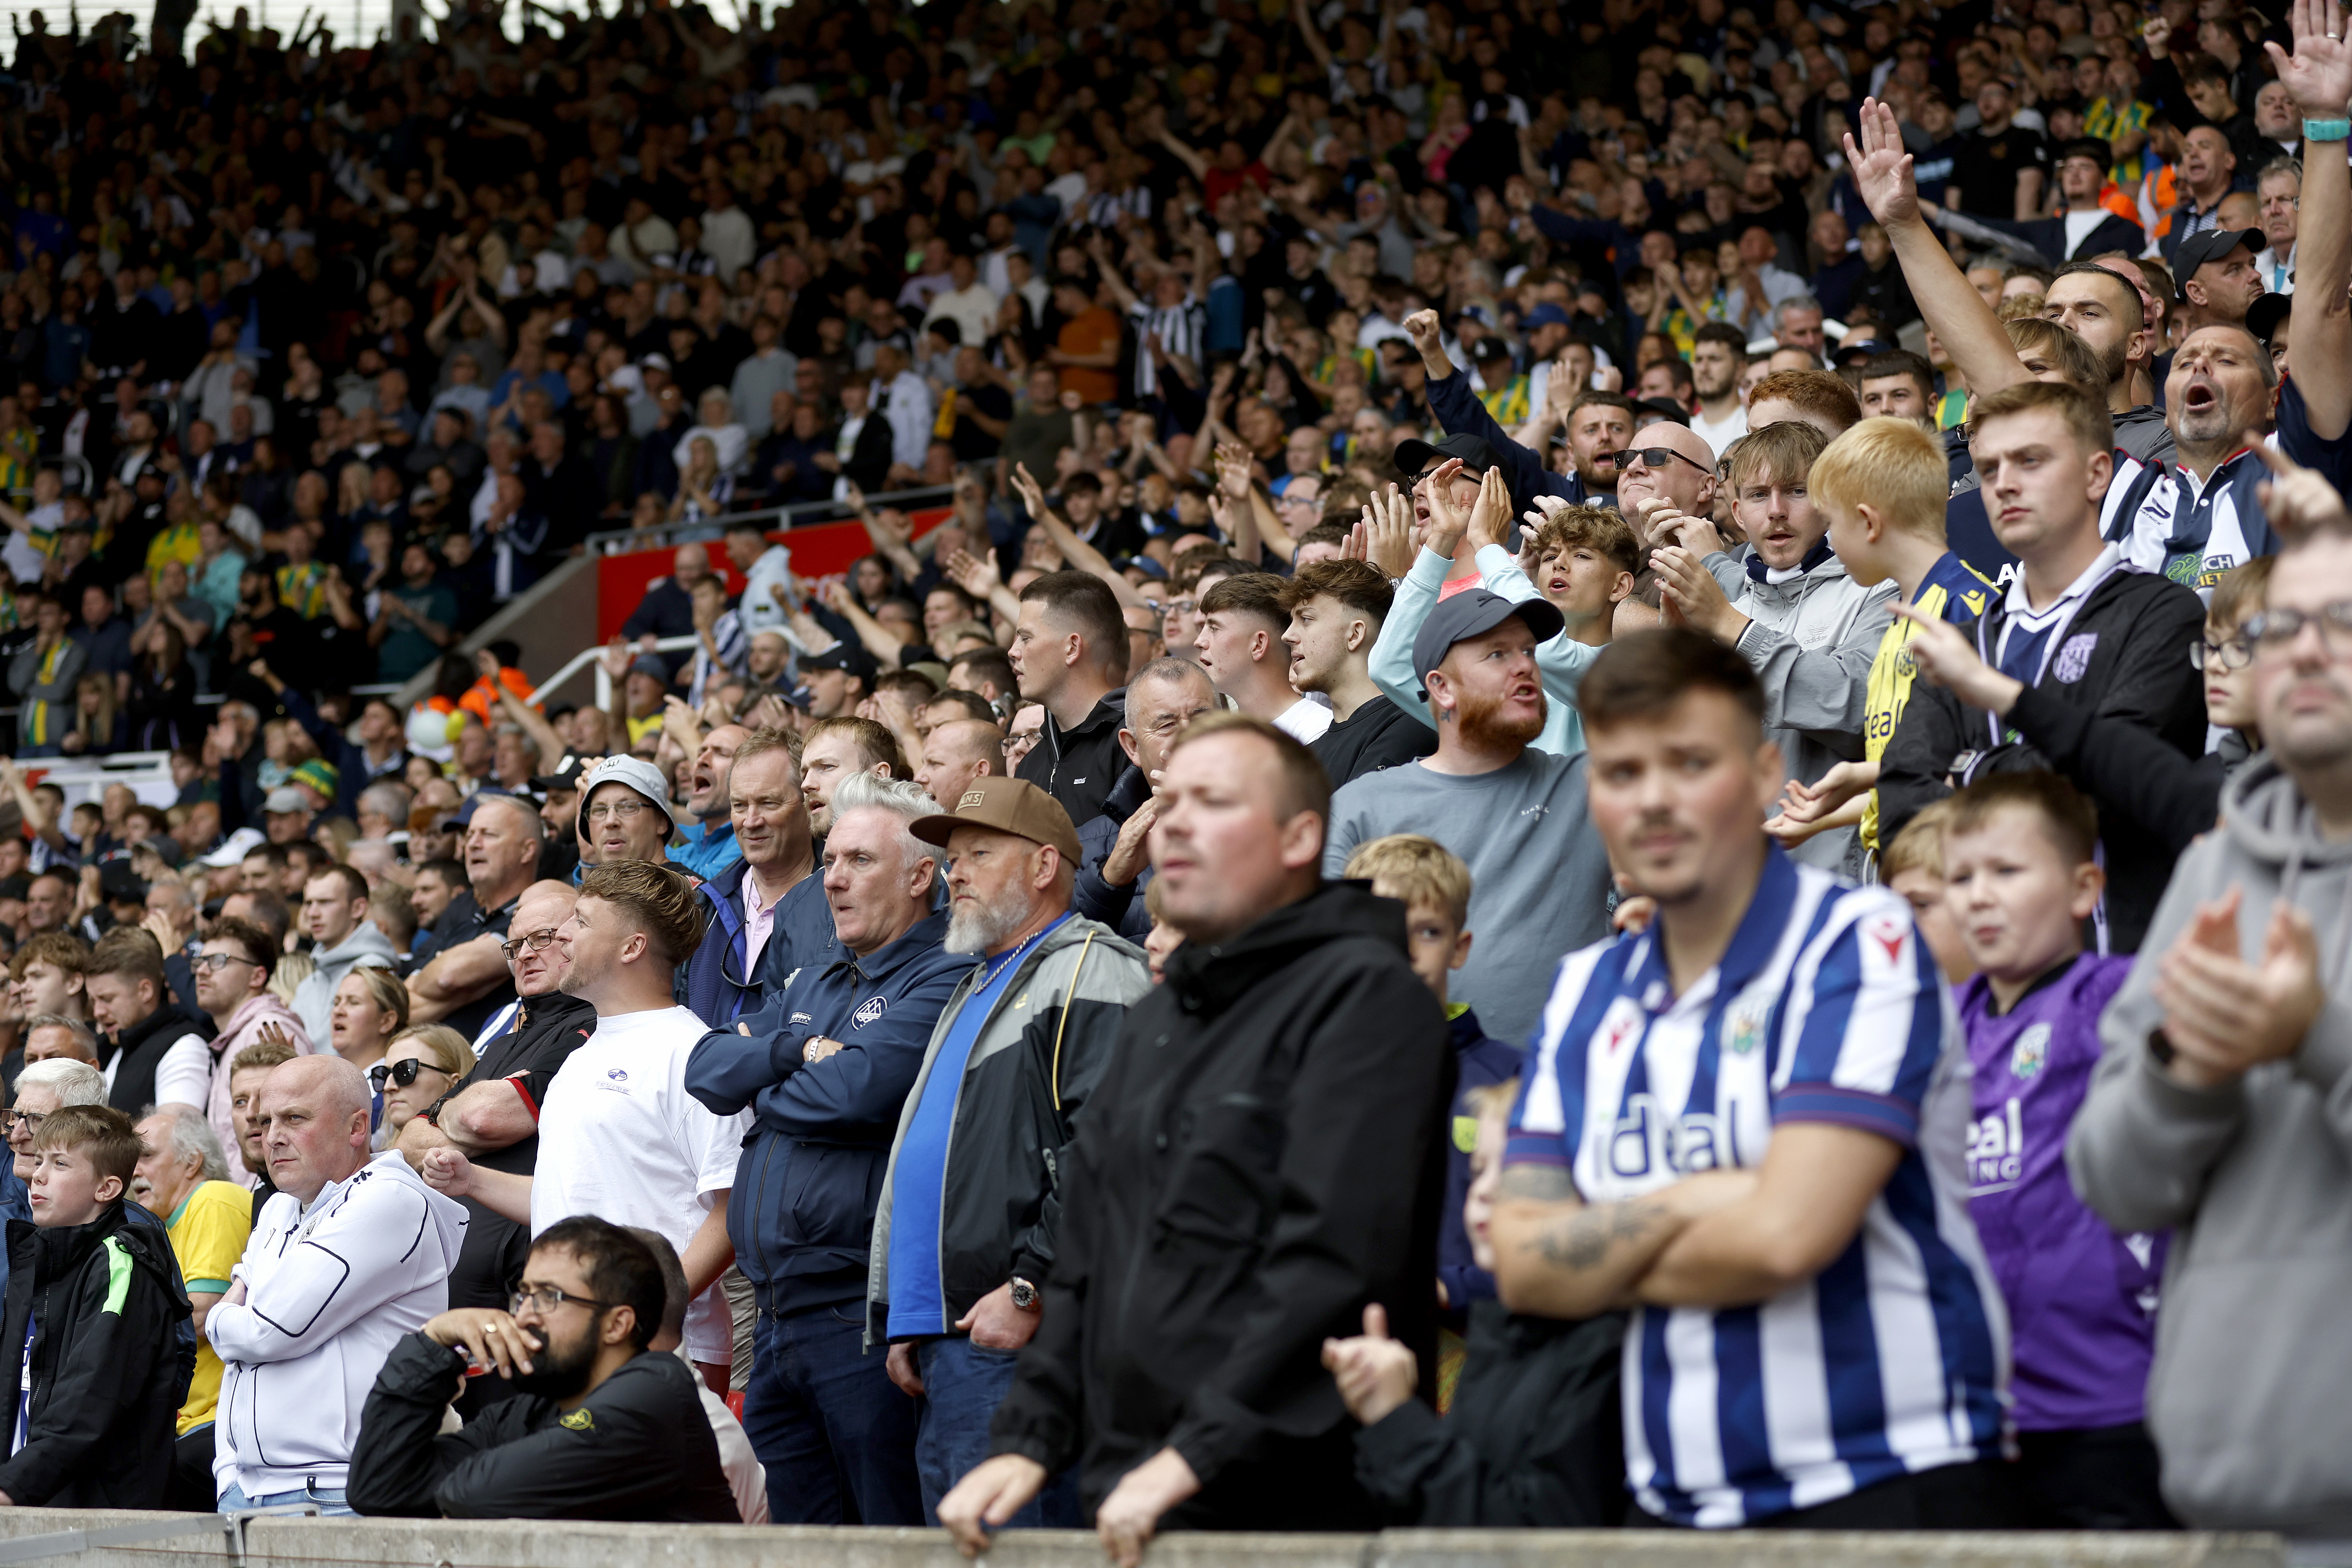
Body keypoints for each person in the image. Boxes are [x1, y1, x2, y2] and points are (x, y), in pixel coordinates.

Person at [1494, 628, 2008, 1530]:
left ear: (1768, 773)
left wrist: (1598, 1244)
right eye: (1620, 773)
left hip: (1884, 1480)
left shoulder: (1864, 943)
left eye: (1690, 763)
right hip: (1667, 1497)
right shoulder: (1582, 990)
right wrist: (1700, 1200)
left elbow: (1784, 1237)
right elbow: (1524, 1266)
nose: (1653, 800)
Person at [939, 714, 1450, 1552]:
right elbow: (1090, 1249)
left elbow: (1332, 1259)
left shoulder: (1368, 998)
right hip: (1136, 1488)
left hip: (1297, 1500)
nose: (1173, 823)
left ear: (1300, 837)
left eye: (1211, 802)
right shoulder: (1160, 1014)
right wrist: (1030, 1436)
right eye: (1167, 801)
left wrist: (1193, 1454)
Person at [2067, 490, 2352, 1537]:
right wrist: (2186, 1072)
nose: (2307, 653)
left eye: (2346, 624)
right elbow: (2115, 1179)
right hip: (2225, 1500)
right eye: (2280, 628)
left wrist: (2314, 1037)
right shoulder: (2218, 869)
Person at [684, 774, 967, 1526]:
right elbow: (706, 1069)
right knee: (800, 1544)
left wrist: (768, 1079)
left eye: (859, 862)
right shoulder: (813, 976)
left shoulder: (945, 974)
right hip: (778, 1319)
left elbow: (860, 1091)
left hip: (859, 1319)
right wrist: (801, 1050)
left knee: (887, 1534)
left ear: (919, 875)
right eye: (831, 860)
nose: (833, 880)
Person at [873, 777, 1152, 1525]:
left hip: (1023, 1337)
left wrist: (1034, 1287)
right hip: (949, 1339)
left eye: (979, 853)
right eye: (951, 857)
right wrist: (906, 1314)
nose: (953, 873)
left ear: (1043, 867)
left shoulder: (1095, 966)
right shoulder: (973, 985)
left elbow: (1113, 1149)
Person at [1880, 380, 2207, 954]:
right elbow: (1903, 800)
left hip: (2122, 970)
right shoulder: (1965, 639)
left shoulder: (2162, 614)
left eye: (2031, 461)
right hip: (1984, 987)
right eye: (1987, 469)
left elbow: (2113, 774)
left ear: (2096, 475)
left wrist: (1970, 772)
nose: (2004, 482)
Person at [1938, 773, 2171, 1529]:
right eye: (1961, 877)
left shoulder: (2117, 997)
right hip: (1977, 1413)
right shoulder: (1940, 1031)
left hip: (2111, 1399)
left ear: (2083, 889)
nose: (1977, 896)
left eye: (2006, 872)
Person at [418, 864, 748, 1394]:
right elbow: (566, 1196)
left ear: (632, 947)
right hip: (560, 1339)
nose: (563, 935)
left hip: (660, 1347)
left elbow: (733, 1210)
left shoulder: (694, 1053)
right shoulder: (583, 1053)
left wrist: (652, 1310)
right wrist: (472, 1181)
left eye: (582, 922)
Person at [1321, 1079, 1625, 1526]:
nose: (1482, 1189)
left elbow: (1525, 1537)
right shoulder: (1502, 1336)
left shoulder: (1603, 1352)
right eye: (1479, 1168)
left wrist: (1397, 1421)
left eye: (1512, 1170)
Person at [1324, 589, 1615, 1048]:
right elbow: (1324, 963)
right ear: (1441, 687)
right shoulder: (1360, 807)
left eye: (1528, 651)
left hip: (1567, 1089)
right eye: (1497, 654)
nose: (1524, 666)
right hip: (1418, 1084)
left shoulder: (1594, 786)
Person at [347, 1216, 737, 1521]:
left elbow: (477, 1492)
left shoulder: (656, 1393)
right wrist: (433, 1341)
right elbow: (379, 1488)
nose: (525, 1316)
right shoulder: (534, 1409)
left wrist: (455, 1476)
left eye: (549, 1297)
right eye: (525, 1295)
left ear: (617, 1324)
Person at [208, 1054, 468, 1514]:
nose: (272, 1137)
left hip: (338, 1491)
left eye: (294, 1118)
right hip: (249, 1490)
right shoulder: (277, 1208)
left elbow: (270, 1330)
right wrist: (230, 1473)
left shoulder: (388, 1198)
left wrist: (220, 1318)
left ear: (356, 1128)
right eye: (266, 1121)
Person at [1647, 419, 1896, 875]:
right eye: (1760, 495)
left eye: (1796, 492)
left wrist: (1731, 627)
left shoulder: (1877, 590)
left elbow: (1860, 705)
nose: (1777, 511)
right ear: (1738, 512)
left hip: (1834, 883)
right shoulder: (1724, 600)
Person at [1770, 417, 1996, 860]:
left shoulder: (1965, 609)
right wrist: (1823, 815)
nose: (1830, 540)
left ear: (1869, 523)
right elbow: (1911, 772)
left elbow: (1981, 767)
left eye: (1832, 523)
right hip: (1899, 858)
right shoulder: (1900, 616)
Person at [398, 885, 591, 1343]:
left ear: (580, 936)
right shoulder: (505, 1043)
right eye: (515, 945)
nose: (524, 955)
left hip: (522, 1283)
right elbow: (408, 1140)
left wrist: (446, 1120)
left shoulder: (595, 1023)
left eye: (542, 939)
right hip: (459, 1282)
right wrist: (459, 1122)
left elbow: (485, 1117)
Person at [1339, 835, 1517, 1318]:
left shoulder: (1511, 1079)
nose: (1407, 951)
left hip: (1480, 1353)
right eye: (1386, 931)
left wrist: (1448, 1290)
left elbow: (1543, 1237)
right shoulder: (1320, 1075)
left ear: (1459, 947)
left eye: (1429, 932)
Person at [0, 1105, 192, 1507]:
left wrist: (13, 1485)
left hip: (97, 1519)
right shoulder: (33, 1260)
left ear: (106, 1189)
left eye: (60, 1163)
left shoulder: (121, 1262)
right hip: (33, 1504)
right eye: (40, 1160)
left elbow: (90, 1398)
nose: (39, 1174)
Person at [1367, 465, 1612, 757]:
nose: (1559, 565)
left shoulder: (1625, 666)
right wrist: (1442, 540)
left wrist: (1486, 543)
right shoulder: (1500, 682)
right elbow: (1390, 668)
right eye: (1548, 557)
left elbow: (1548, 655)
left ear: (1621, 585)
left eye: (1581, 555)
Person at [131, 1102, 251, 1510]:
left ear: (192, 1161)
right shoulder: (160, 1226)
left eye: (146, 1156)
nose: (134, 1171)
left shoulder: (212, 1198)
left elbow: (200, 1314)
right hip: (185, 1423)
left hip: (219, 1422)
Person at [680, 731, 831, 1027]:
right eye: (739, 806)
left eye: (769, 803)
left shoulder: (839, 902)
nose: (751, 821)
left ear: (808, 802)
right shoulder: (702, 907)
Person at [1071, 657, 1218, 943]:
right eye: (1166, 726)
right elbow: (1062, 953)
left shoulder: (1269, 816)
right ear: (1133, 747)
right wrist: (1110, 880)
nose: (1187, 736)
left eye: (1203, 718)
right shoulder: (1086, 848)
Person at [1278, 561, 1437, 788]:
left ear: (1355, 634)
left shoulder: (1411, 723)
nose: (1287, 636)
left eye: (1306, 619)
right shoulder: (1311, 753)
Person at [406, 794, 545, 1038]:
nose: (473, 844)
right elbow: (398, 1001)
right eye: (469, 836)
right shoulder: (464, 919)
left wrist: (442, 972)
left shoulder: (532, 920)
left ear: (526, 851)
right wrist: (453, 995)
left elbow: (446, 977)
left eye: (488, 835)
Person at [194, 916, 315, 1186]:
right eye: (199, 962)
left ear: (258, 975)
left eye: (219, 961)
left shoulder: (268, 1027)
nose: (202, 971)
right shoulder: (243, 1033)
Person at [1009, 570, 1130, 826]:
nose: (1013, 651)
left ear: (1072, 648)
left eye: (1026, 638)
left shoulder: (1132, 742)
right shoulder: (1029, 765)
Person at [83, 926, 212, 1117]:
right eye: (94, 1001)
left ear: (145, 991)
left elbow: (177, 1138)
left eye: (108, 999)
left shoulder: (185, 1046)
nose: (98, 1012)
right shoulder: (107, 1048)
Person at [1194, 572, 1330, 742]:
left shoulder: (1316, 733)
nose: (1199, 641)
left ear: (1258, 645)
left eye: (1214, 628)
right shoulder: (1218, 739)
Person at [290, 864, 397, 1047]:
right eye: (308, 903)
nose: (312, 914)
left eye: (325, 902)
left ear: (358, 908)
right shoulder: (309, 983)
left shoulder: (373, 968)